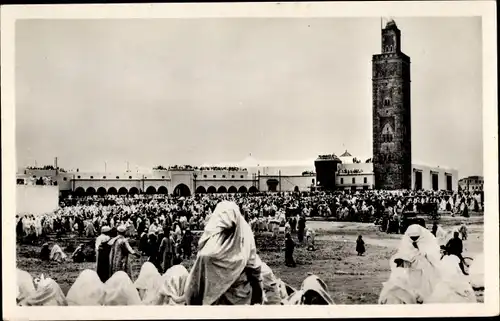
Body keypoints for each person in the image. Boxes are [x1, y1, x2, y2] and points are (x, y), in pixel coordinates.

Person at [184, 201, 263, 305]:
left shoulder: (244, 236)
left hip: (236, 298)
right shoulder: (212, 244)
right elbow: (255, 268)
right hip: (219, 299)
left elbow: (254, 267)